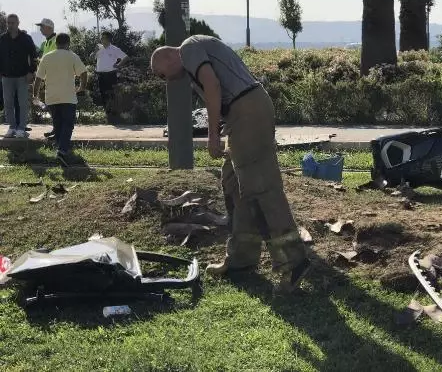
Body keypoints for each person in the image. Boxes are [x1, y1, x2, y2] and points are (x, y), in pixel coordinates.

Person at [151, 35, 310, 293]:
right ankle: (242, 258)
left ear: (168, 57)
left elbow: (212, 86)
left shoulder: (188, 48)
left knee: (261, 187)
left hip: (247, 111)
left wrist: (212, 135)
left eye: (161, 74)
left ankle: (294, 262)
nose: (166, 80)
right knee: (234, 181)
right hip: (243, 112)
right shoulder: (195, 53)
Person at [33, 33, 87, 167]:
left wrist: (35, 96)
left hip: (51, 97)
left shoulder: (47, 57)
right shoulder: (72, 56)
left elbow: (38, 78)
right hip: (68, 96)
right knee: (68, 124)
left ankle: (59, 149)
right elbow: (84, 73)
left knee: (57, 125)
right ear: (68, 43)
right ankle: (62, 151)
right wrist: (81, 88)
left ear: (56, 43)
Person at [0, 14, 37, 138]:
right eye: (8, 23)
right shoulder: (2, 39)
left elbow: (33, 56)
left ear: (18, 23)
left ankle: (21, 128)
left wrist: (31, 72)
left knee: (22, 103)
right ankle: (11, 127)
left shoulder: (26, 38)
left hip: (22, 76)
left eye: (13, 23)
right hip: (6, 76)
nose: (10, 25)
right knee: (8, 103)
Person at [94, 31, 128, 122]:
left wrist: (119, 65)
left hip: (111, 74)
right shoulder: (98, 48)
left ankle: (114, 115)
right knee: (103, 94)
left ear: (109, 39)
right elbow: (91, 58)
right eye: (101, 38)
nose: (102, 39)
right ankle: (107, 114)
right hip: (101, 75)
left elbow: (125, 57)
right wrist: (95, 51)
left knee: (112, 94)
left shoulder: (114, 49)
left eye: (104, 38)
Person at [36, 18, 58, 139]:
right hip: (49, 79)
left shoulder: (56, 40)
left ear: (49, 28)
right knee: (51, 106)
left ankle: (58, 130)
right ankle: (56, 129)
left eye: (42, 27)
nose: (40, 29)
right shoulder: (47, 42)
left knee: (55, 106)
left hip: (55, 79)